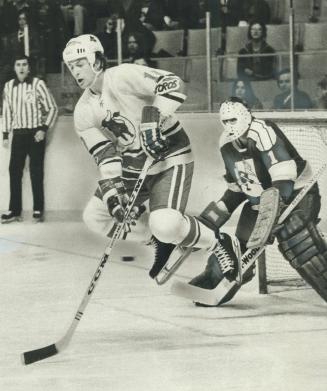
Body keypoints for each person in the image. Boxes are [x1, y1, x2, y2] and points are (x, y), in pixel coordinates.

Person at [62, 34, 241, 282]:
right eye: (71, 67)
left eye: (80, 63)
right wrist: (115, 196)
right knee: (96, 216)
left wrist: (152, 118)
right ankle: (157, 239)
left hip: (170, 156)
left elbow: (173, 83)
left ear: (96, 60)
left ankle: (218, 243)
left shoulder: (122, 76)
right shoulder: (83, 111)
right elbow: (105, 156)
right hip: (134, 166)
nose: (75, 72)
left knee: (166, 224)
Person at [186, 97, 327, 304]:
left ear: (246, 115)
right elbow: (238, 189)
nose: (229, 126)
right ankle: (213, 278)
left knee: (295, 236)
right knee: (237, 245)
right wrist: (210, 221)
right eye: (225, 121)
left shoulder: (263, 131)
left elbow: (284, 176)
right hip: (262, 201)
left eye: (233, 119)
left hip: (298, 194)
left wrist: (273, 213)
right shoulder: (226, 143)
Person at [1, 55, 58, 223]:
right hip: (18, 135)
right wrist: (5, 134)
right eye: (18, 65)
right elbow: (7, 111)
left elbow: (53, 108)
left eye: (24, 64)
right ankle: (14, 210)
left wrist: (43, 128)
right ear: (14, 67)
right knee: (14, 172)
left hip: (35, 135)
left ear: (29, 67)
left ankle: (38, 209)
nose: (21, 68)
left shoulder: (37, 84)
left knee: (36, 172)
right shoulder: (9, 86)